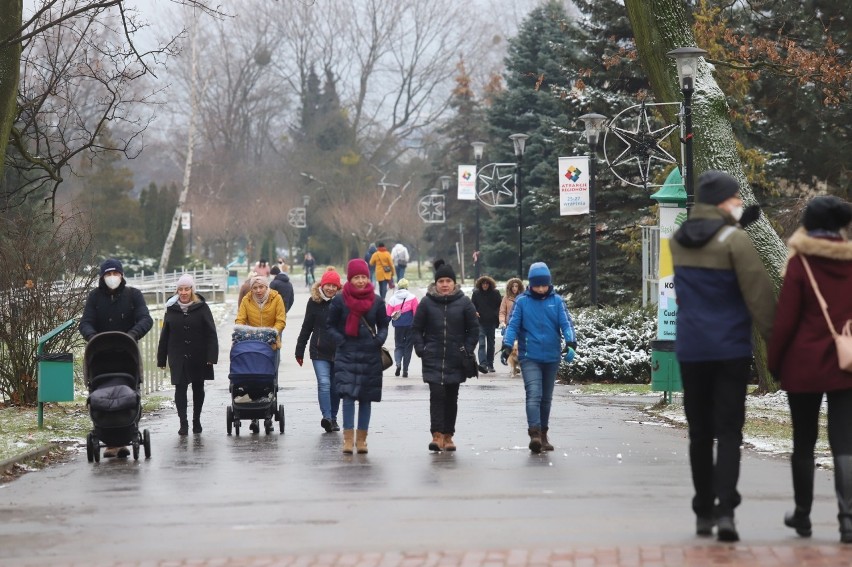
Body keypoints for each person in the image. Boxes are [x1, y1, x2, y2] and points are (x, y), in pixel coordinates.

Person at [669, 170, 776, 543]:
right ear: (723, 202)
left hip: (692, 348)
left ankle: (702, 510)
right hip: (729, 348)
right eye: (735, 198)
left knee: (699, 432)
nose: (739, 203)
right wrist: (776, 343)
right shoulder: (736, 240)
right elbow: (759, 296)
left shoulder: (677, 241)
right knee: (729, 431)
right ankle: (727, 511)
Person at [767, 196, 852, 543]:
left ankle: (802, 516)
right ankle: (847, 519)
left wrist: (774, 362)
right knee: (844, 441)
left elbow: (785, 319)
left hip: (803, 365)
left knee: (804, 441)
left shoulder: (800, 264)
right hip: (846, 364)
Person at [79, 258, 153, 458]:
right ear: (102, 277)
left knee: (130, 393)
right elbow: (85, 322)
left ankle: (125, 434)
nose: (112, 278)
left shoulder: (133, 295)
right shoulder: (95, 297)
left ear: (121, 275)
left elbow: (146, 318)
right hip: (101, 358)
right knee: (101, 394)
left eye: (116, 274)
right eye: (108, 274)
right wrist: (93, 337)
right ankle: (109, 440)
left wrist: (132, 334)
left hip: (126, 357)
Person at [499, 263, 575, 456]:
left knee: (546, 399)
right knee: (534, 394)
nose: (541, 289)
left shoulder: (557, 301)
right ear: (530, 284)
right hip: (529, 356)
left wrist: (571, 343)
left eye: (544, 285)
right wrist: (507, 346)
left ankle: (544, 435)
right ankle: (534, 434)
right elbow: (513, 325)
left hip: (551, 356)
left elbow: (566, 323)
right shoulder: (522, 302)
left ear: (549, 284)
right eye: (537, 285)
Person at [412, 260, 479, 452]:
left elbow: (473, 329)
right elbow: (416, 328)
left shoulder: (464, 302)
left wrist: (466, 349)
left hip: (455, 358)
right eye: (441, 281)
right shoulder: (426, 302)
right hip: (432, 357)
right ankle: (437, 435)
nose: (444, 284)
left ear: (454, 283)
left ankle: (449, 435)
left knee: (451, 397)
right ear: (436, 283)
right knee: (437, 395)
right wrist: (421, 348)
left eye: (448, 280)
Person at [325, 259, 389, 454]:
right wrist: (341, 341)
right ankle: (347, 439)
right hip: (346, 354)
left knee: (366, 398)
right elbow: (330, 325)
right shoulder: (339, 300)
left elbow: (384, 325)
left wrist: (378, 340)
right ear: (349, 278)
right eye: (356, 277)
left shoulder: (377, 300)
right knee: (349, 397)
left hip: (369, 354)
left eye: (363, 277)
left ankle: (361, 440)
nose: (360, 281)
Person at [157, 274, 219, 435]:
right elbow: (165, 334)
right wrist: (161, 358)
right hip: (177, 355)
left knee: (198, 387)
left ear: (192, 289)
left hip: (199, 355)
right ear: (177, 290)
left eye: (187, 289)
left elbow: (211, 333)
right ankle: (183, 423)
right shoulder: (171, 308)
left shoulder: (202, 307)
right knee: (180, 387)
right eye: (181, 289)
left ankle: (196, 420)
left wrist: (211, 357)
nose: (184, 292)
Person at [235, 275, 287, 433]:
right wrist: (242, 332)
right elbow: (240, 319)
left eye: (261, 287)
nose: (258, 291)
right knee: (252, 376)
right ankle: (253, 417)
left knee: (269, 378)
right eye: (255, 288)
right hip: (252, 343)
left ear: (266, 287)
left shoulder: (276, 298)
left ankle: (268, 415)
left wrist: (272, 333)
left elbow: (281, 320)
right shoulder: (246, 300)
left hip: (271, 344)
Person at [296, 268, 343, 433]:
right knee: (324, 383)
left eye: (334, 286)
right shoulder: (314, 302)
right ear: (322, 285)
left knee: (336, 387)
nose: (330, 288)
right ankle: (327, 418)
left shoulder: (344, 302)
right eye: (328, 285)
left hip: (339, 351)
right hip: (319, 350)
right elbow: (306, 327)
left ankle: (334, 418)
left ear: (338, 287)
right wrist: (299, 350)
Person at [385, 278, 419, 378]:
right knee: (408, 348)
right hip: (410, 326)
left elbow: (388, 314)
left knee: (399, 346)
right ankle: (405, 370)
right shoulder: (413, 298)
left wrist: (384, 325)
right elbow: (416, 313)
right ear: (407, 287)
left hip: (398, 327)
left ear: (398, 287)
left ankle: (398, 363)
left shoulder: (393, 298)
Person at [471, 275, 502, 374]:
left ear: (490, 284)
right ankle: (483, 364)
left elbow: (499, 306)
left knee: (491, 344)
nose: (485, 285)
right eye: (483, 283)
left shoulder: (495, 293)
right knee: (482, 343)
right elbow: (472, 306)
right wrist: (475, 312)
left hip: (491, 322)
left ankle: (490, 364)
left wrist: (495, 315)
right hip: (480, 322)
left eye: (487, 283)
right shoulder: (476, 294)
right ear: (480, 284)